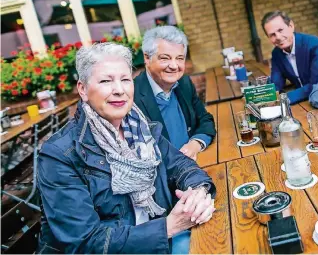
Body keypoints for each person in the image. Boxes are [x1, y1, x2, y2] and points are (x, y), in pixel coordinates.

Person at [37, 43, 216, 254]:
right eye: (106, 81)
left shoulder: (141, 128)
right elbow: (86, 242)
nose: (119, 90)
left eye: (125, 80)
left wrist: (197, 191)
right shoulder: (59, 155)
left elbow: (181, 165)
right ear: (83, 89)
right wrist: (168, 227)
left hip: (162, 242)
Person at [134, 26, 216, 161]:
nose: (174, 66)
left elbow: (205, 119)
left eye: (179, 58)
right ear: (147, 58)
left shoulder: (184, 83)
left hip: (197, 164)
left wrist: (195, 143)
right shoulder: (132, 96)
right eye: (165, 58)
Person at [262, 11, 318, 104]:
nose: (278, 37)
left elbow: (317, 84)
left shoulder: (315, 44)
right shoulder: (276, 53)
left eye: (280, 30)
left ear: (291, 26)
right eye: (272, 35)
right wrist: (260, 96)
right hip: (303, 102)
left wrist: (285, 98)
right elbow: (276, 84)